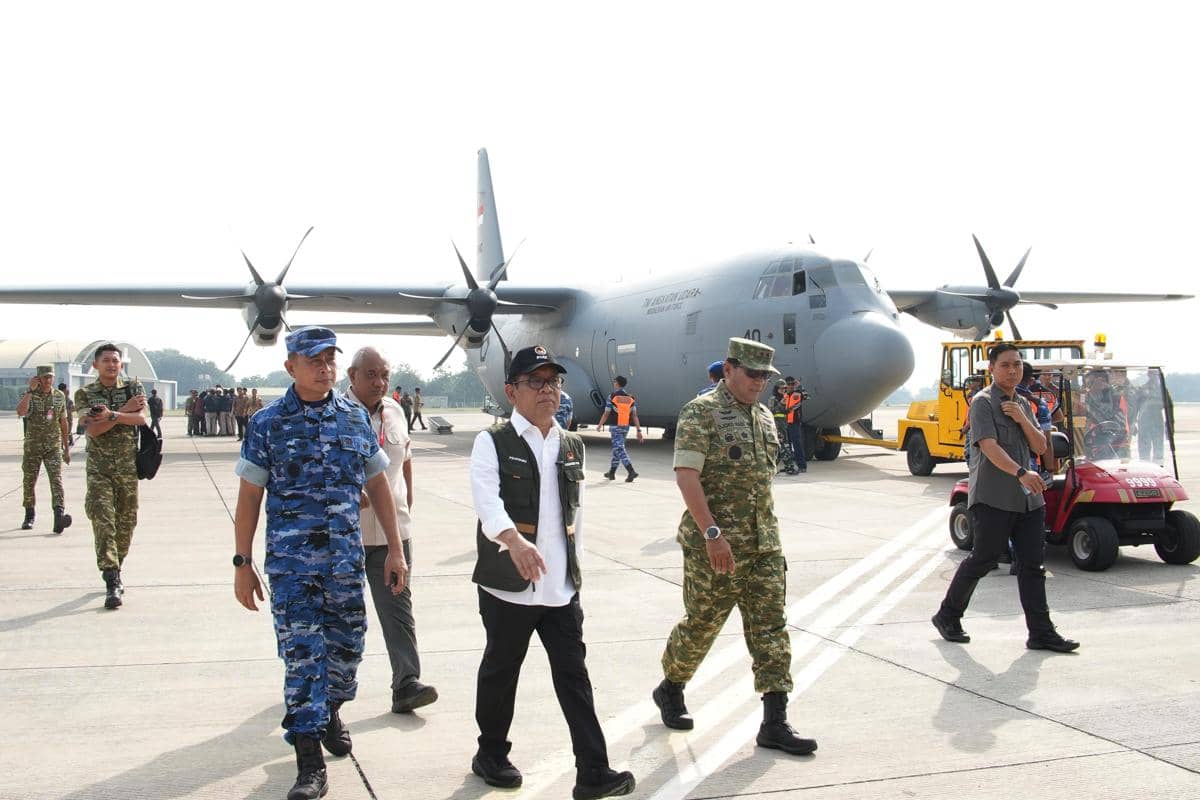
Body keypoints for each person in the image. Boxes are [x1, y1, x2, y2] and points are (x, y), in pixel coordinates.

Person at [232, 327, 409, 800]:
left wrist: (395, 549)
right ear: (290, 366)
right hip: (292, 569)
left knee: (348, 650)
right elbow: (250, 496)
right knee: (302, 657)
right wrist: (241, 561)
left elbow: (379, 488)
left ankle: (331, 709)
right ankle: (308, 760)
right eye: (314, 360)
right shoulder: (268, 423)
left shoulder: (353, 418)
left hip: (346, 564)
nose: (325, 367)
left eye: (331, 359)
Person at [467, 345, 635, 799]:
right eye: (536, 382)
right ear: (511, 391)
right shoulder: (493, 442)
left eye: (554, 382)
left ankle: (593, 772)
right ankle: (491, 753)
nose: (548, 391)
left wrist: (576, 574)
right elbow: (487, 502)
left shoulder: (571, 443)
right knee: (501, 672)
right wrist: (514, 542)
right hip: (509, 585)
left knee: (574, 676)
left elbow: (577, 514)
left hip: (560, 588)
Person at [654, 338, 817, 755]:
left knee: (772, 630)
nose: (759, 383)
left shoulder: (764, 417)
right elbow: (687, 477)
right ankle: (671, 687)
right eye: (752, 374)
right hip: (715, 545)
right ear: (729, 370)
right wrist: (712, 535)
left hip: (764, 545)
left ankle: (774, 721)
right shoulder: (701, 413)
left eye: (765, 376)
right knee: (702, 624)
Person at [931, 343, 1079, 653]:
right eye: (1006, 365)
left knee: (1032, 566)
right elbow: (989, 446)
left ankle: (1041, 633)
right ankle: (948, 615)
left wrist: (1023, 420)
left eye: (1017, 364)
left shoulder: (1023, 404)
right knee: (984, 559)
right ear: (992, 369)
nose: (1013, 370)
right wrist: (1021, 473)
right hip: (995, 496)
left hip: (1029, 499)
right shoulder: (983, 403)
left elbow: (1040, 446)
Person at [346, 347, 439, 715]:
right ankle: (324, 686)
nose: (379, 382)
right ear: (351, 376)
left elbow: (407, 459)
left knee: (398, 609)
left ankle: (406, 683)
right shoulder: (332, 414)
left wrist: (407, 501)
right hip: (346, 536)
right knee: (339, 618)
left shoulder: (397, 411)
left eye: (384, 374)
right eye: (370, 374)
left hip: (392, 535)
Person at [75, 343, 147, 610]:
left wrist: (113, 414)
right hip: (99, 470)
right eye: (105, 360)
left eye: (115, 360)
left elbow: (141, 419)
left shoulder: (132, 388)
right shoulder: (85, 393)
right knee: (104, 521)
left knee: (126, 524)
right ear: (95, 365)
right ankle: (111, 579)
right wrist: (122, 415)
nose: (111, 365)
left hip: (127, 468)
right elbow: (92, 431)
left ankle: (116, 565)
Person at [16, 365, 72, 534]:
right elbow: (21, 411)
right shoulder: (31, 395)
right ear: (38, 379)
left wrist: (66, 448)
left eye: (50, 377)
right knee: (29, 480)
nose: (48, 381)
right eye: (44, 377)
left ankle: (58, 516)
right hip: (33, 446)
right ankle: (29, 515)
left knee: (56, 480)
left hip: (53, 446)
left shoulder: (59, 396)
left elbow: (63, 422)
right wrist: (29, 391)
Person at [595, 376, 644, 482]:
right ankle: (611, 473)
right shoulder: (630, 398)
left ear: (617, 383)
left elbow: (606, 413)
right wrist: (638, 430)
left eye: (614, 381)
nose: (614, 383)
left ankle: (631, 471)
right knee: (617, 449)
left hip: (615, 426)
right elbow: (634, 415)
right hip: (625, 427)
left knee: (619, 449)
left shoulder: (612, 397)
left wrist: (599, 425)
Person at [769, 380, 799, 475]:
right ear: (777, 389)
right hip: (777, 425)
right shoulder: (773, 399)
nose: (784, 390)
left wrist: (791, 408)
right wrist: (781, 404)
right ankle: (789, 466)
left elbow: (784, 411)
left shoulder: (784, 398)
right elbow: (772, 411)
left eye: (785, 388)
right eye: (782, 388)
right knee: (783, 447)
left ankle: (779, 467)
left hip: (783, 425)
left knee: (782, 447)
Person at [784, 376, 808, 473]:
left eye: (792, 384)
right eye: (788, 384)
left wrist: (800, 386)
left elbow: (807, 396)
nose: (790, 386)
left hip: (795, 423)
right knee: (787, 446)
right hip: (785, 423)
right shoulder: (784, 395)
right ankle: (790, 465)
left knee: (797, 444)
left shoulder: (798, 394)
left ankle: (802, 465)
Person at [59, 382, 76, 446]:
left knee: (68, 431)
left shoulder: (68, 400)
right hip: (61, 418)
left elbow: (74, 408)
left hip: (68, 418)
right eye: (65, 389)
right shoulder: (59, 398)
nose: (67, 390)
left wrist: (67, 411)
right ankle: (62, 444)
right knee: (62, 431)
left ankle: (70, 441)